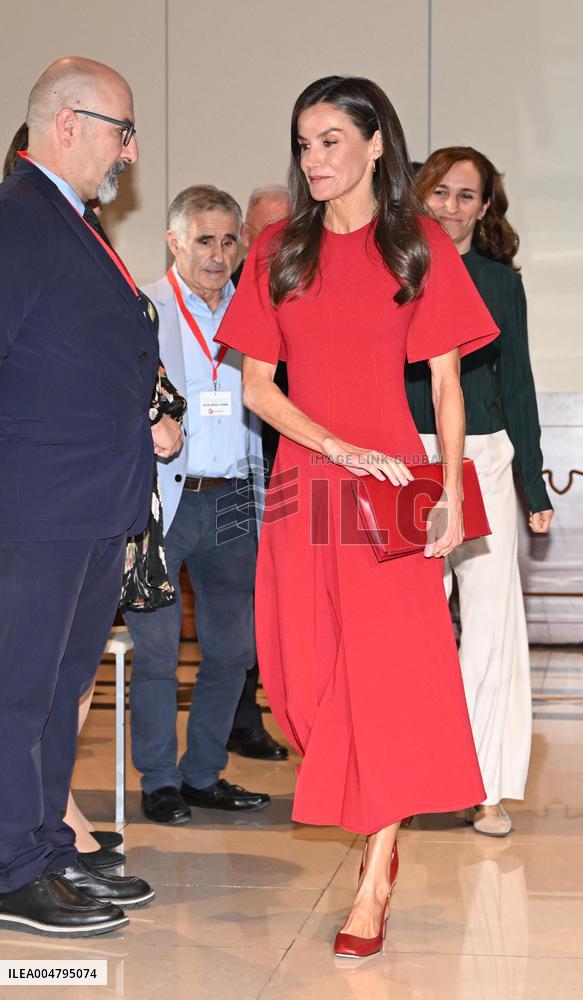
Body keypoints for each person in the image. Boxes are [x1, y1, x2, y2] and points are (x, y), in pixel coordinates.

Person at [216, 75, 498, 958]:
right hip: (309, 481)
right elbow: (257, 386)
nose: (315, 159)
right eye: (304, 143)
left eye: (331, 140)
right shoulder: (277, 250)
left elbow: (448, 385)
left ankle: (376, 872)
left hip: (391, 491)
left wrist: (447, 491)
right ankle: (367, 819)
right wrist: (334, 447)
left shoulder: (416, 247)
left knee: (387, 679)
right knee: (300, 681)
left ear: (377, 145)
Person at [0, 56, 182, 937]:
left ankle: (43, 847)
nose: (130, 149)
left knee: (60, 683)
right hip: (34, 508)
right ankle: (8, 866)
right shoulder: (18, 221)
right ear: (66, 125)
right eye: (121, 130)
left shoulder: (73, 222)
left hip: (86, 505)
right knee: (17, 689)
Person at [407, 147, 554, 837]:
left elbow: (517, 383)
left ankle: (487, 788)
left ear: (485, 208)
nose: (451, 207)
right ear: (420, 195)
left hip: (488, 459)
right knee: (410, 623)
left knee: (493, 625)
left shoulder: (500, 283)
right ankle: (406, 778)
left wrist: (534, 483)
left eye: (467, 196)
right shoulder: (394, 271)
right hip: (412, 463)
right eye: (440, 192)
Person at [123, 185, 270, 826]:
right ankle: (159, 779)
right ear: (174, 240)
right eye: (203, 240)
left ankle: (204, 772)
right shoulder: (141, 310)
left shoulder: (258, 311)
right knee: (155, 653)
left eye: (228, 240)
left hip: (236, 496)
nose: (217, 254)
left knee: (233, 650)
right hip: (162, 503)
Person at [227, 185, 291, 762]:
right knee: (244, 594)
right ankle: (242, 719)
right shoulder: (231, 293)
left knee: (285, 595)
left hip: (294, 469)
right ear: (250, 234)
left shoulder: (300, 283)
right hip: (240, 474)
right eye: (264, 229)